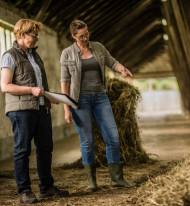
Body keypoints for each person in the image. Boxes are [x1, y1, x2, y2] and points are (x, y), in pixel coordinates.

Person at [60, 20, 135, 192]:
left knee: (113, 138)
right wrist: (66, 108)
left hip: (101, 97)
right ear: (73, 36)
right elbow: (65, 82)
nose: (85, 38)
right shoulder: (67, 54)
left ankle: (117, 179)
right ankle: (92, 182)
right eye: (81, 36)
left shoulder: (98, 47)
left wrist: (122, 69)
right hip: (79, 101)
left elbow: (111, 61)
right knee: (87, 141)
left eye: (87, 34)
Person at [0, 19, 69, 204]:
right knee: (23, 150)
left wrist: (49, 97)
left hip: (41, 107)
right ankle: (24, 191)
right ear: (22, 35)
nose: (37, 38)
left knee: (45, 148)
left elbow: (39, 85)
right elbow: (5, 86)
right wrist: (31, 90)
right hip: (21, 110)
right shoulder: (10, 55)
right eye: (34, 35)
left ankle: (46, 187)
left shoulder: (35, 56)